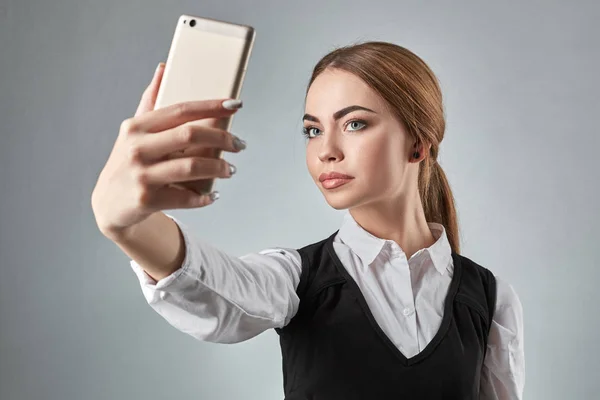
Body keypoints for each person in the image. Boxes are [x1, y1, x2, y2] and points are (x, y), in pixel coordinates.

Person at [92, 41, 524, 399]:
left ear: (418, 144)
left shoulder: (489, 298)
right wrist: (127, 225)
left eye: (354, 124)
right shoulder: (295, 277)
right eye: (313, 130)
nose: (326, 150)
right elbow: (220, 293)